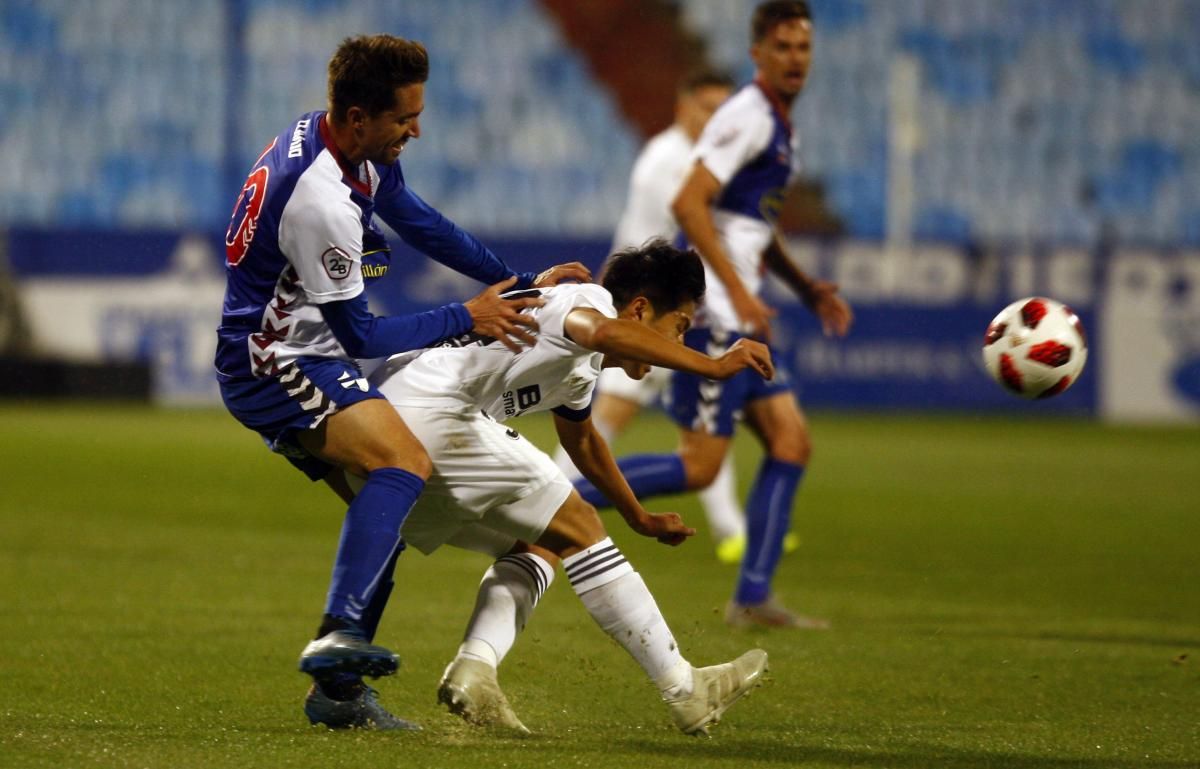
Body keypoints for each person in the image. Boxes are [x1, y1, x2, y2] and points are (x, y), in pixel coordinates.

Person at [214, 34, 588, 730]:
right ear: (358, 117)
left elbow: (418, 220)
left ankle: (339, 694)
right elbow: (361, 336)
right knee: (403, 460)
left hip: (304, 348)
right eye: (403, 118)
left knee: (386, 510)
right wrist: (465, 317)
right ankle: (339, 632)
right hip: (278, 362)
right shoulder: (321, 199)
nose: (416, 129)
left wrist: (518, 282)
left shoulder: (341, 146)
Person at [367, 241, 773, 735]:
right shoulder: (587, 304)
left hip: (385, 439)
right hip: (428, 411)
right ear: (640, 309)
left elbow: (582, 440)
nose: (681, 344)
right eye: (680, 327)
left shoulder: (583, 363)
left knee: (542, 541)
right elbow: (598, 328)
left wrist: (637, 516)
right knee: (579, 523)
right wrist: (713, 366)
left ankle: (475, 669)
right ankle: (685, 689)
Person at [573, 0, 853, 629]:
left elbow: (754, 225)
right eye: (781, 47)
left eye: (802, 47)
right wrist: (739, 291)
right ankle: (558, 500)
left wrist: (805, 286)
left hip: (741, 315)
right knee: (700, 467)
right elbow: (689, 203)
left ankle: (752, 598)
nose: (794, 59)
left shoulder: (779, 124)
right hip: (719, 318)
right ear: (758, 54)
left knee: (791, 441)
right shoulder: (748, 116)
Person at [552, 70, 778, 565]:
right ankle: (553, 500)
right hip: (639, 311)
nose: (716, 119)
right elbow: (699, 232)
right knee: (600, 416)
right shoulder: (669, 160)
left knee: (705, 428)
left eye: (725, 109)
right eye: (706, 107)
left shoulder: (703, 160)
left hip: (673, 310)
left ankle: (730, 528)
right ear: (683, 107)